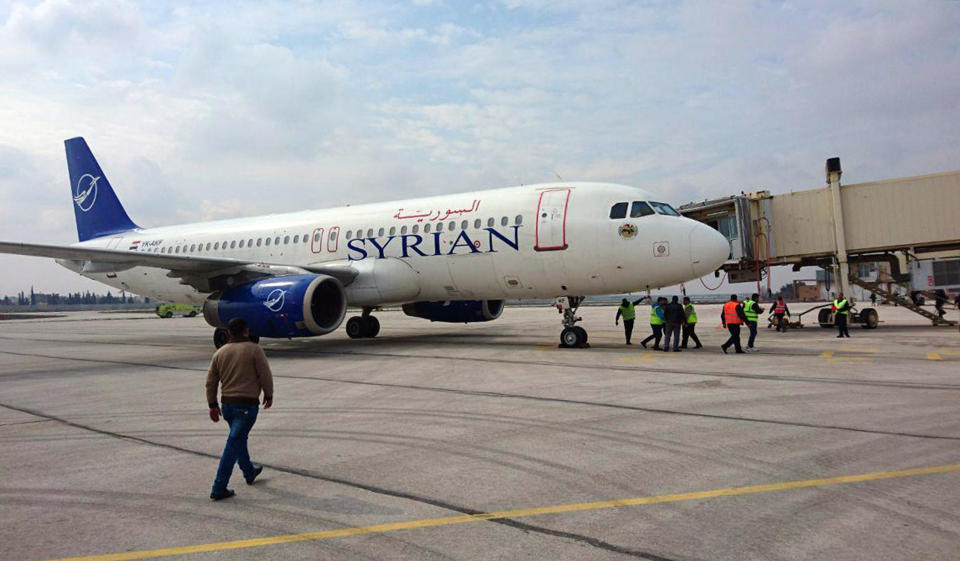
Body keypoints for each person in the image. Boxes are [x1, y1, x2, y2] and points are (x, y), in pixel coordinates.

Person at [206, 318, 274, 501]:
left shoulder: (220, 353)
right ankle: (219, 487)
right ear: (246, 331)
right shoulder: (254, 349)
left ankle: (249, 471)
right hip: (246, 406)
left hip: (227, 406)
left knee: (238, 440)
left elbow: (211, 382)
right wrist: (269, 394)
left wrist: (212, 405)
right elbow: (265, 374)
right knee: (233, 445)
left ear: (229, 333)